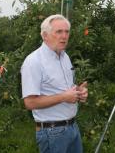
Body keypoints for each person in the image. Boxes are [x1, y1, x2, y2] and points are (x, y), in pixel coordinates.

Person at [21, 14, 88, 153]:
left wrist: (78, 92)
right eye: (59, 32)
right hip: (52, 133)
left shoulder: (64, 56)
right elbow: (30, 103)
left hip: (72, 127)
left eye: (66, 31)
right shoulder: (34, 61)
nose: (64, 36)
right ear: (45, 35)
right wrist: (64, 97)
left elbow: (63, 89)